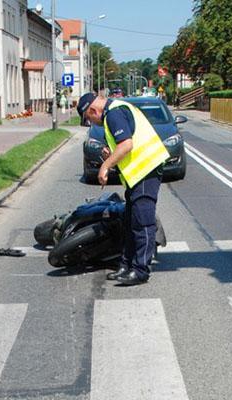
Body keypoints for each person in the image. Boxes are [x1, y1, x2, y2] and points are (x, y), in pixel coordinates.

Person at [77, 93, 170, 286]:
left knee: (142, 222)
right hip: (137, 174)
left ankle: (140, 270)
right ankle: (126, 264)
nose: (92, 123)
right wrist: (112, 155)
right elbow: (125, 145)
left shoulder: (114, 113)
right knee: (129, 221)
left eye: (89, 118)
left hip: (147, 170)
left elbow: (127, 144)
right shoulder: (115, 110)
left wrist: (105, 166)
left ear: (93, 111)